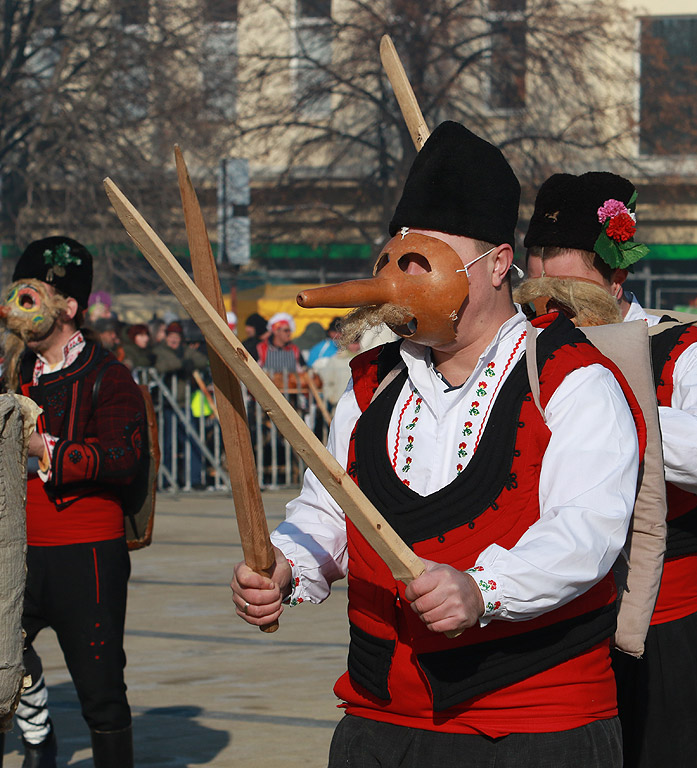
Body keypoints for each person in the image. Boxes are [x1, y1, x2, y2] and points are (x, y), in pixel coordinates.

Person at [230, 121, 644, 767]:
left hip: (532, 722)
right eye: (391, 263)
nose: (397, 281)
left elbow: (587, 531)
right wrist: (286, 566)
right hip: (381, 715)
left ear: (499, 264)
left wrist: (484, 588)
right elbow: (328, 510)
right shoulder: (371, 382)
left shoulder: (574, 378)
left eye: (420, 264)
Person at [522, 171, 697, 768]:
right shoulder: (523, 352)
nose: (548, 305)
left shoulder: (685, 347)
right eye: (536, 285)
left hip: (664, 629)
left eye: (564, 288)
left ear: (616, 276)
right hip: (556, 623)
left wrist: (610, 394)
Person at [1, 236, 145, 767]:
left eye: (33, 294)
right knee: (0, 652)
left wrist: (47, 448)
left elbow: (123, 457)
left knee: (100, 687)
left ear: (68, 307)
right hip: (19, 547)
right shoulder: (13, 373)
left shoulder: (110, 376)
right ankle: (37, 734)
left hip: (87, 552)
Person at [152, 321, 207, 489]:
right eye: (171, 337)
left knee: (192, 441)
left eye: (177, 337)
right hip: (167, 404)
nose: (174, 340)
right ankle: (166, 480)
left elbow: (203, 360)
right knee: (167, 444)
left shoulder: (186, 351)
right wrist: (181, 365)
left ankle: (194, 479)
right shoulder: (159, 351)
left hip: (184, 403)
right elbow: (160, 366)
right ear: (166, 337)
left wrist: (190, 362)